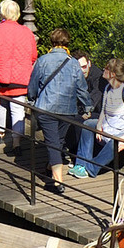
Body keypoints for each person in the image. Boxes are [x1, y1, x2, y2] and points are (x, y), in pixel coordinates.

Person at [28, 30, 91, 191]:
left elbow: (33, 84)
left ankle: (58, 181)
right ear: (67, 43)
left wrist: (32, 97)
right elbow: (81, 88)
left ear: (52, 42)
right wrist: (87, 106)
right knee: (57, 141)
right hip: (67, 109)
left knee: (54, 142)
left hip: (46, 108)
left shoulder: (43, 61)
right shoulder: (73, 64)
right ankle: (55, 173)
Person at [0, 0, 38, 154]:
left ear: (2, 13)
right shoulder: (27, 32)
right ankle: (16, 142)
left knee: (1, 104)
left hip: (1, 77)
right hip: (21, 78)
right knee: (18, 109)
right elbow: (33, 55)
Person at [74, 54, 124, 180]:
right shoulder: (108, 88)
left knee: (114, 141)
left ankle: (91, 168)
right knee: (89, 124)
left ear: (113, 74)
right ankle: (81, 164)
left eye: (106, 69)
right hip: (111, 123)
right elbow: (104, 111)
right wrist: (99, 125)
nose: (102, 71)